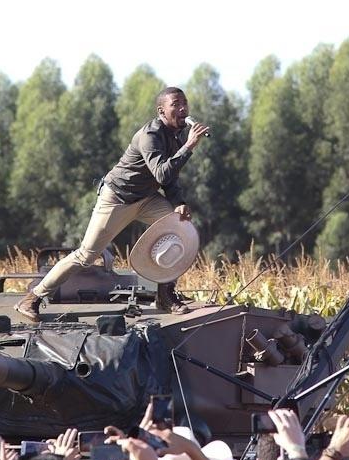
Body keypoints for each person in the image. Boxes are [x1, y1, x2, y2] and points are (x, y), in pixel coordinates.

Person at [16, 86, 209, 321]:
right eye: (176, 104)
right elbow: (162, 174)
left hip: (146, 198)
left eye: (185, 103)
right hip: (117, 198)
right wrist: (188, 147)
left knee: (178, 227)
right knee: (86, 255)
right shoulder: (149, 135)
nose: (183, 109)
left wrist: (178, 201)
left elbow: (171, 179)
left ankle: (165, 296)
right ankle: (32, 298)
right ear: (161, 111)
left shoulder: (177, 134)